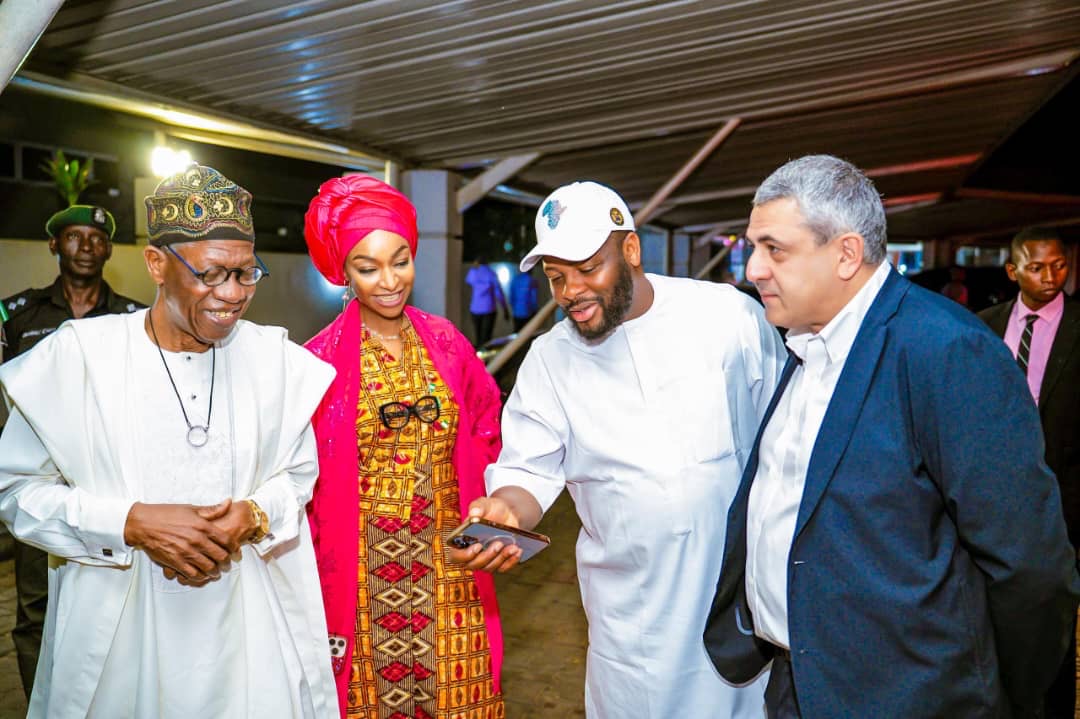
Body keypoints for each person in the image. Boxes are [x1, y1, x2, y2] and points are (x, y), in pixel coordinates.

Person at [703, 154, 1080, 718]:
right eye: (754, 247)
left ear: (846, 254)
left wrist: (999, 695)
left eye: (774, 249)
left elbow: (1029, 566)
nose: (754, 268)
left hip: (910, 698)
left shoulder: (946, 349)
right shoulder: (808, 342)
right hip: (801, 681)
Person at [0, 164, 338, 718]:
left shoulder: (274, 360)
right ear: (157, 263)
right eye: (211, 273)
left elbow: (298, 476)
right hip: (122, 635)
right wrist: (129, 523)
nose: (232, 294)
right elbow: (15, 491)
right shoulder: (80, 357)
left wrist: (253, 514)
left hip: (246, 632)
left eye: (246, 273)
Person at [454, 180, 786, 718]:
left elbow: (786, 431)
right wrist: (505, 510)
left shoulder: (727, 318)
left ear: (630, 249)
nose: (571, 291)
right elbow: (526, 472)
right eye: (556, 277)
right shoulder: (550, 360)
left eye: (588, 269)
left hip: (738, 602)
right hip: (633, 625)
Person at [302, 174, 506, 719]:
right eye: (368, 268)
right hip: (363, 573)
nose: (390, 281)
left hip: (449, 565)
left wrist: (488, 497)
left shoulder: (446, 342)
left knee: (462, 699)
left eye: (401, 261)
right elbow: (303, 479)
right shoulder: (316, 363)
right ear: (343, 273)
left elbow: (486, 423)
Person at [0, 203, 143, 698]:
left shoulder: (133, 319)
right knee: (35, 607)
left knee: (112, 600)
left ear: (109, 250)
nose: (87, 246)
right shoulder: (16, 314)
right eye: (75, 237)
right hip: (40, 484)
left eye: (97, 238)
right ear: (54, 245)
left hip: (108, 482)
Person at [978, 226, 1080, 719]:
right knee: (993, 616)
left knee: (1053, 617)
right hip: (990, 499)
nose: (1050, 277)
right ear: (1012, 270)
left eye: (1059, 265)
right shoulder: (983, 326)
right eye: (1036, 267)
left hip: (1062, 500)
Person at [465, 255, 509, 345]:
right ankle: (485, 352)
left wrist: (474, 267)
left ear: (477, 262)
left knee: (478, 336)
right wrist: (505, 308)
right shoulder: (491, 274)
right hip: (489, 309)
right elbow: (498, 293)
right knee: (487, 337)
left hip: (475, 309)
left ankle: (478, 351)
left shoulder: (473, 273)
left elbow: (468, 280)